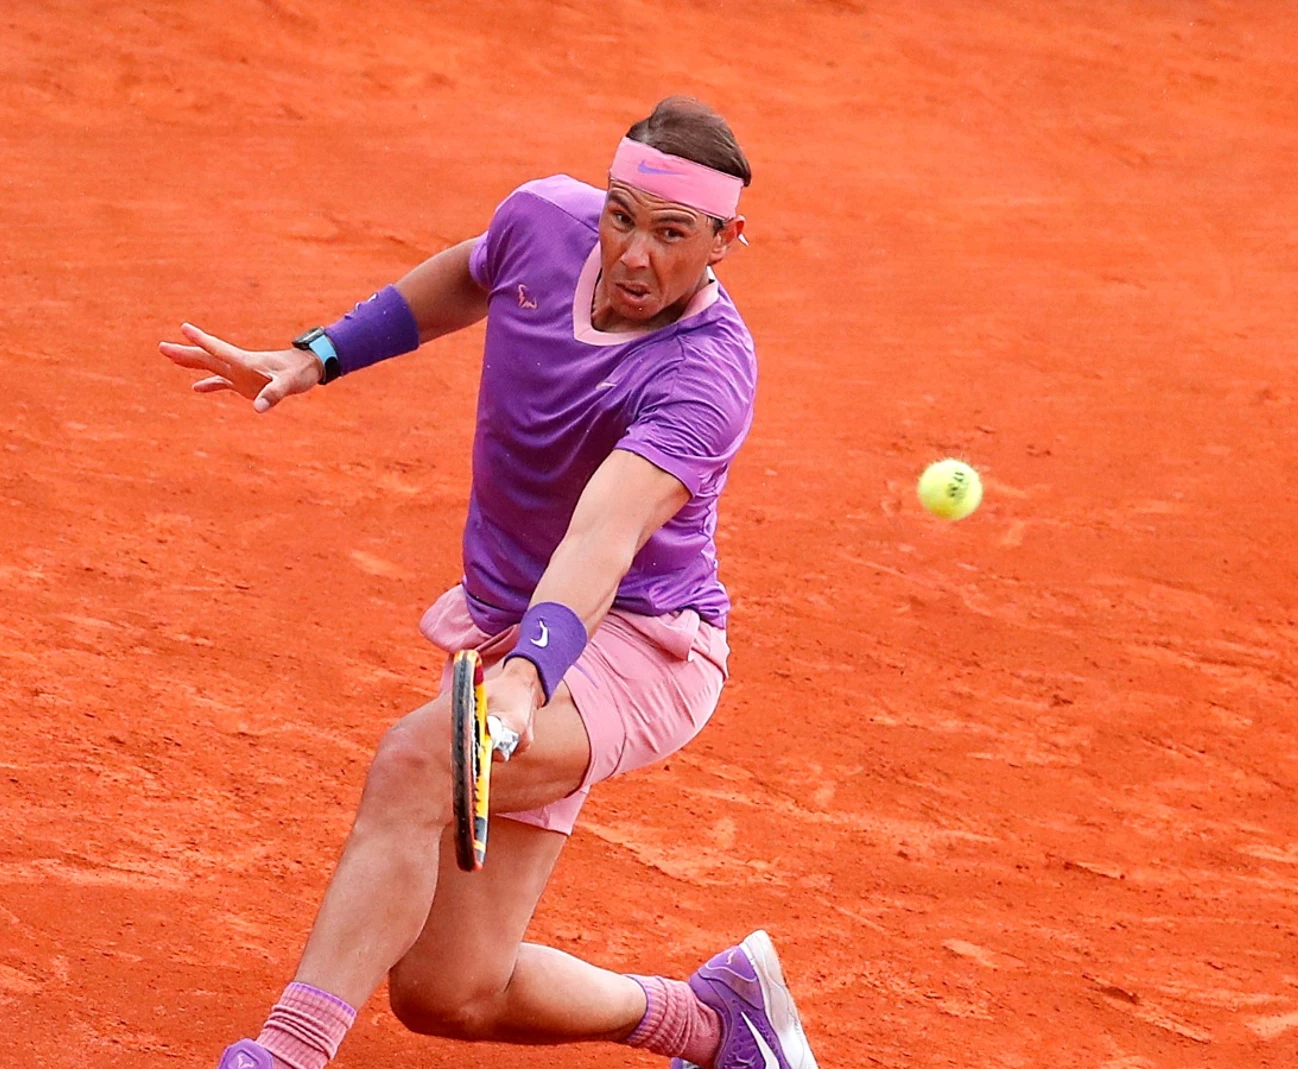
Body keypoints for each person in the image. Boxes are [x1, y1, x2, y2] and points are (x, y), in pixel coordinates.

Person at [158, 97, 819, 1069]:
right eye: (621, 216)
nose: (636, 253)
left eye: (672, 234)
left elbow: (604, 534)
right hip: (518, 630)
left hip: (636, 645)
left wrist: (529, 676)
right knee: (449, 989)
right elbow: (469, 275)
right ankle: (716, 1022)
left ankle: (285, 1055)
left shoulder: (703, 375)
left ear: (727, 239)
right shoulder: (543, 223)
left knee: (422, 757)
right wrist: (319, 354)